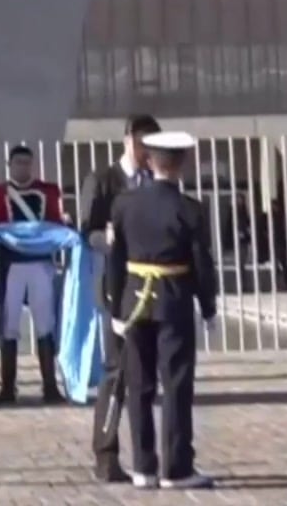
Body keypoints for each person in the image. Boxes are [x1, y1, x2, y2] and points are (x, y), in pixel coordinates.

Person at [104, 130, 218, 491]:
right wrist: (209, 306)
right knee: (176, 385)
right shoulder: (190, 209)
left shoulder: (124, 204)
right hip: (173, 301)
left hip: (134, 302)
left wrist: (115, 305)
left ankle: (143, 466)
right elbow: (202, 264)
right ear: (181, 164)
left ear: (149, 161)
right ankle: (177, 467)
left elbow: (115, 259)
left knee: (139, 386)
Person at [80, 113, 158, 484]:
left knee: (144, 372)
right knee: (115, 370)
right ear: (128, 140)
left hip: (150, 285)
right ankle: (106, 453)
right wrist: (108, 239)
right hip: (115, 285)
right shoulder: (104, 180)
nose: (147, 153)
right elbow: (86, 231)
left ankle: (147, 455)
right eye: (143, 144)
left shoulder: (154, 180)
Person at [0, 143, 65, 404]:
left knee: (46, 324)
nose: (23, 167)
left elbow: (54, 222)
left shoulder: (48, 191)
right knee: (8, 325)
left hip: (41, 263)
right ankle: (8, 387)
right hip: (12, 265)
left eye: (26, 162)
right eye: (18, 163)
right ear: (10, 166)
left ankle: (50, 386)